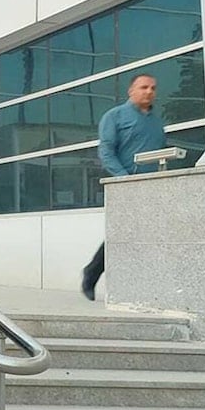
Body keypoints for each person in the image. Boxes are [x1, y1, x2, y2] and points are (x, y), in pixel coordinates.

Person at [82, 73, 165, 300]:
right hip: (126, 186)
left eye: (153, 88)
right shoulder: (115, 116)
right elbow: (106, 152)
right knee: (122, 234)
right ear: (131, 91)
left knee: (147, 235)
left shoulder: (157, 122)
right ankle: (91, 274)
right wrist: (124, 179)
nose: (149, 91)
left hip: (153, 188)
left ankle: (141, 285)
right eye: (144, 87)